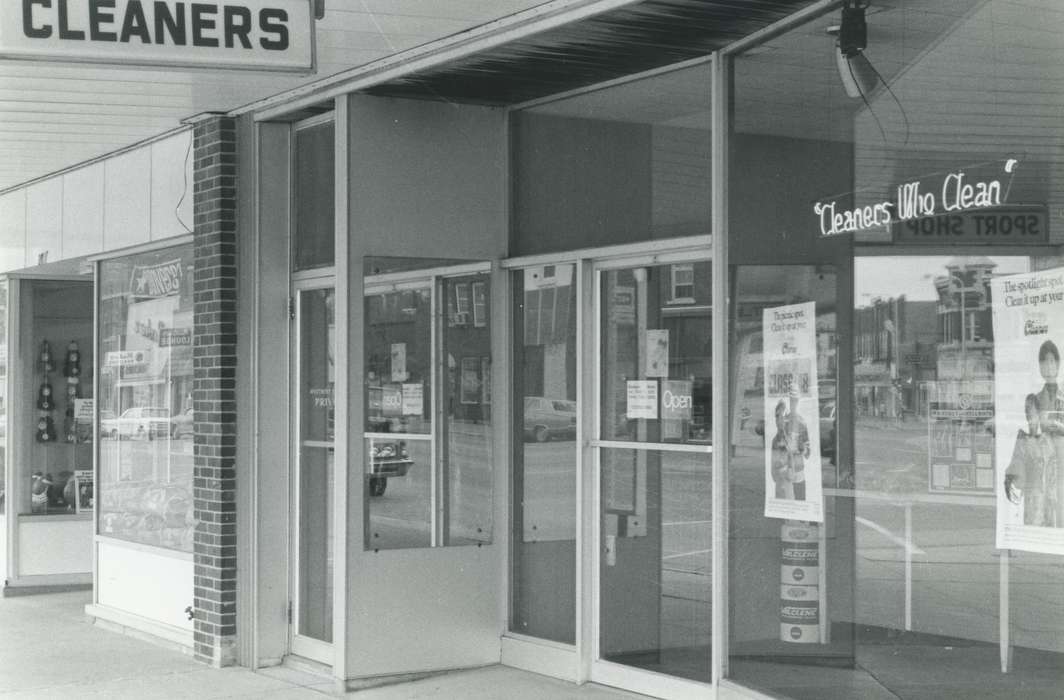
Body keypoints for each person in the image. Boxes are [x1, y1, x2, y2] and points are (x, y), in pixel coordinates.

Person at [1005, 393, 1058, 527]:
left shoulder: (1049, 439)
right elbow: (1017, 468)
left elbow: (1055, 467)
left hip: (1051, 500)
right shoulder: (1023, 440)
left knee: (1050, 535)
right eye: (1028, 413)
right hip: (1033, 500)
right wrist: (1011, 481)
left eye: (1033, 413)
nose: (1030, 417)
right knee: (1034, 533)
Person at [785, 386, 810, 501]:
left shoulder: (802, 422)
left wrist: (801, 449)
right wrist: (785, 447)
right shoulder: (784, 421)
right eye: (791, 400)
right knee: (787, 496)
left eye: (795, 400)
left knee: (800, 495)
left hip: (798, 464)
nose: (793, 403)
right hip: (785, 465)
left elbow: (807, 450)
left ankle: (801, 515)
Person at [770, 400, 794, 499]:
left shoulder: (790, 437)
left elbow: (793, 458)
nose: (779, 420)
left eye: (782, 417)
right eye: (777, 416)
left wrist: (789, 470)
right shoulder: (776, 439)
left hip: (788, 478)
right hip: (779, 480)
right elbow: (773, 463)